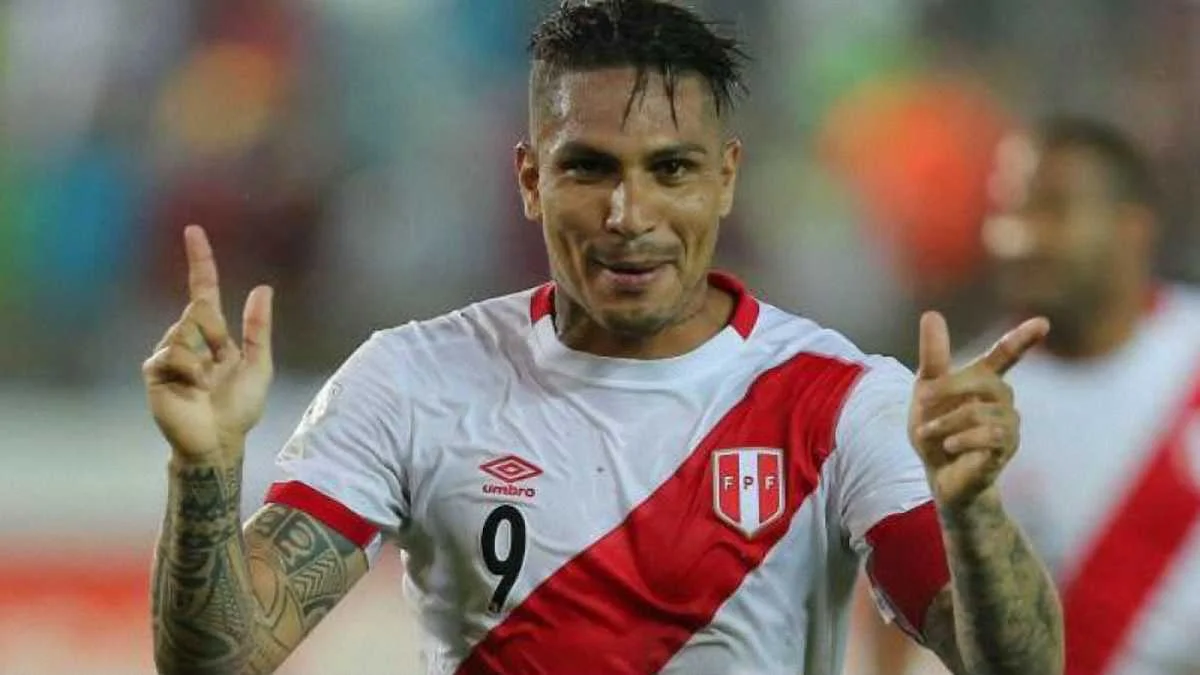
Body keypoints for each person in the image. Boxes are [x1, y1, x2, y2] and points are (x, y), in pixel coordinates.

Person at [142, 2, 1063, 674]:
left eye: (671, 170)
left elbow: (1019, 666)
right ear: (530, 179)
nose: (630, 213)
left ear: (726, 179)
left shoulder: (839, 400)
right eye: (589, 168)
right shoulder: (411, 380)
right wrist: (205, 469)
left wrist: (972, 512)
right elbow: (221, 658)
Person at [856, 116, 1200, 675]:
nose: (1020, 237)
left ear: (1132, 227)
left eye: (1054, 209)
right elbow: (890, 634)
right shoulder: (954, 410)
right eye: (1008, 211)